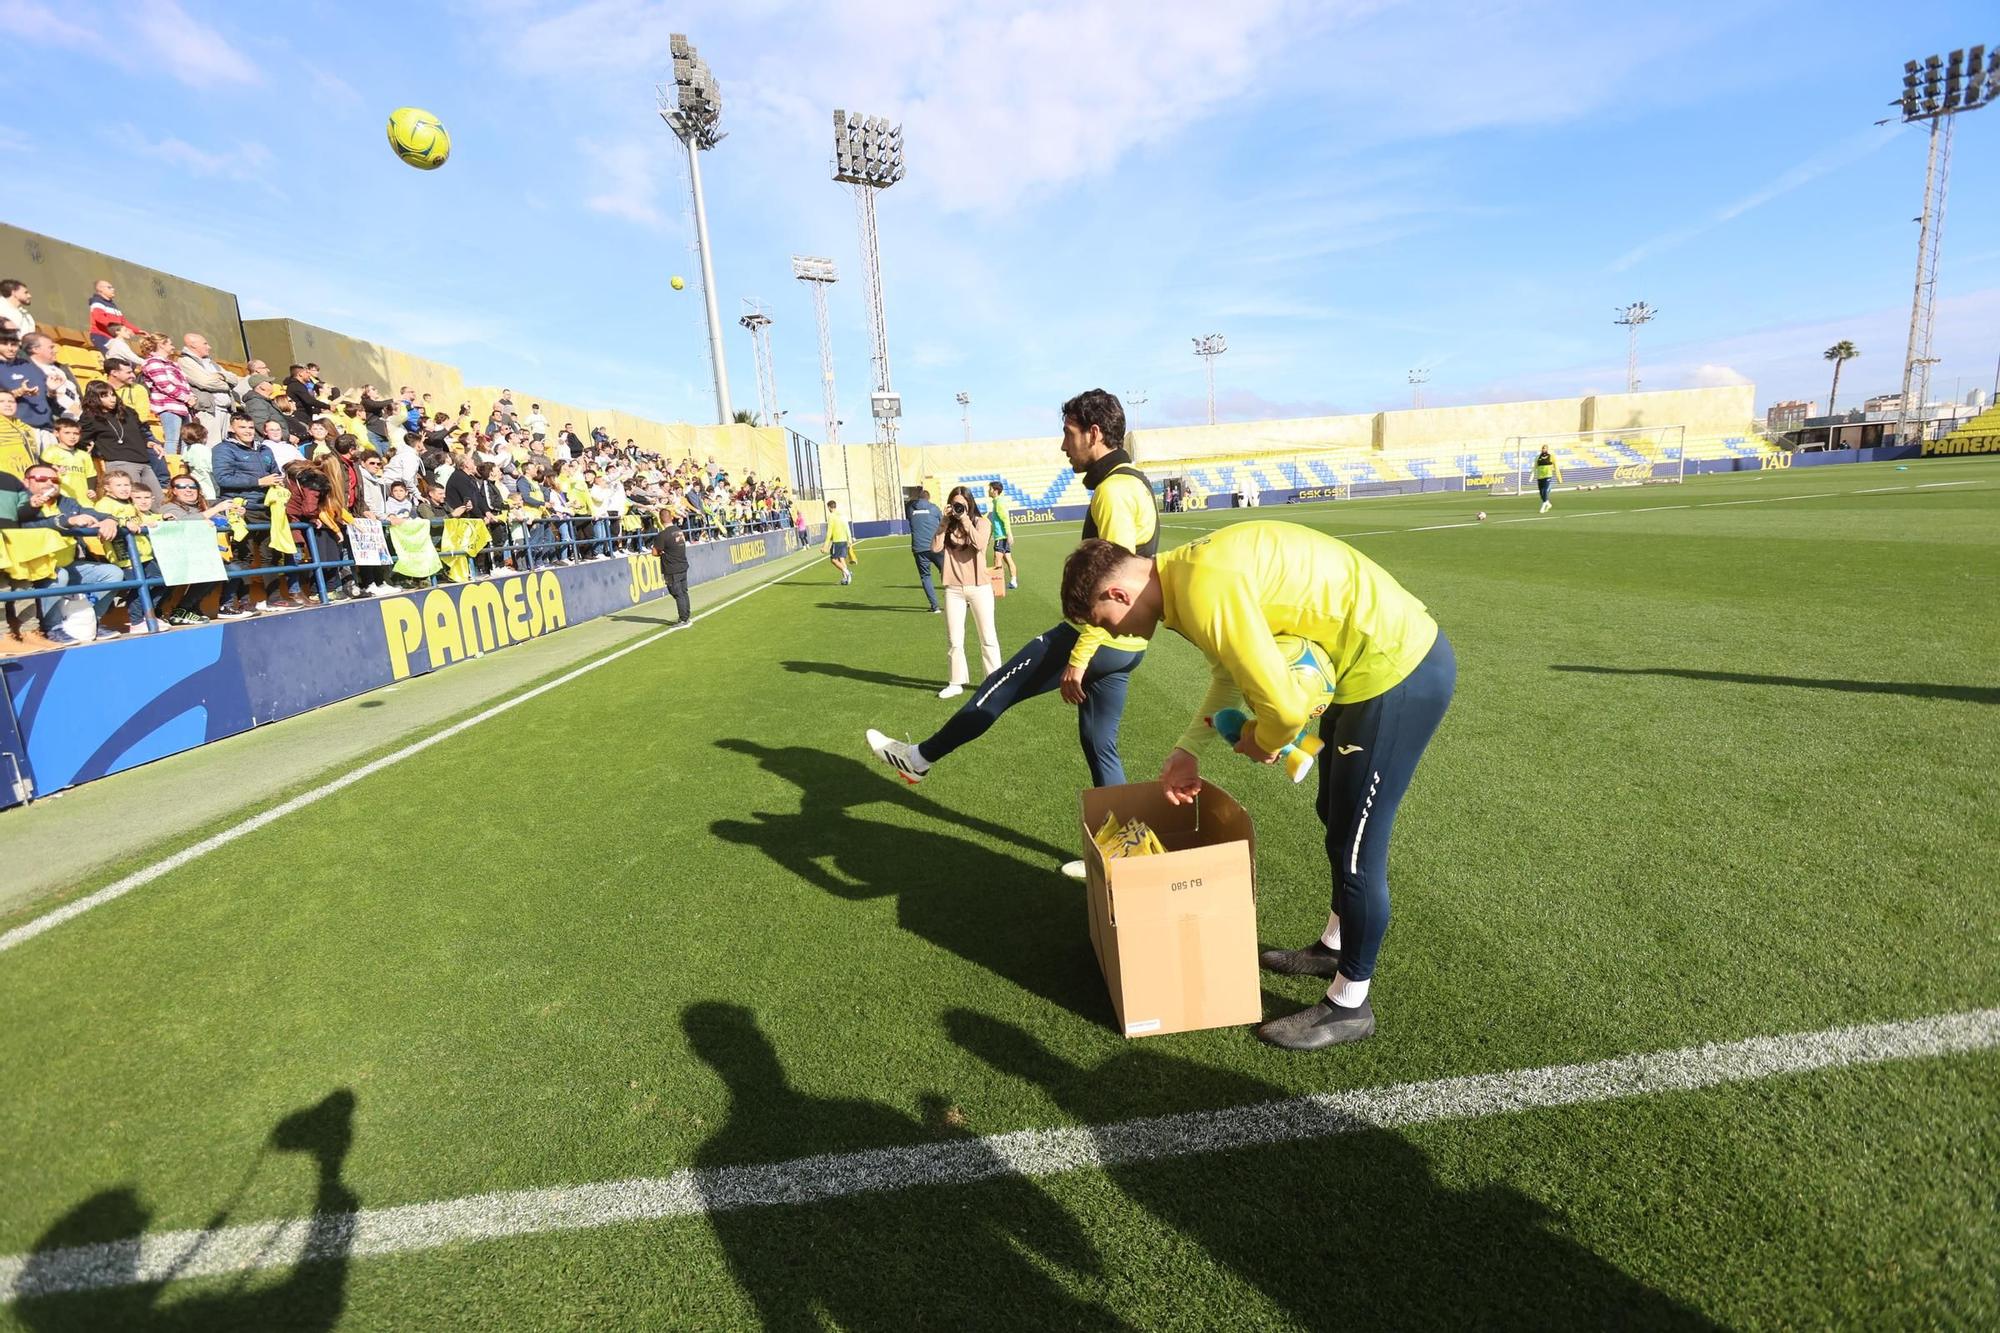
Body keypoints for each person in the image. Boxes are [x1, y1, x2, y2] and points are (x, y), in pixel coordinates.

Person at [1059, 521, 1454, 1050]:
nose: (1114, 634)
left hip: (1396, 671)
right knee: (1336, 819)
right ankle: (1336, 947)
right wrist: (1186, 751)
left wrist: (1263, 740)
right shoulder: (1186, 579)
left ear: (1117, 592)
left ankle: (1350, 1004)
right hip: (1366, 675)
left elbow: (1287, 711)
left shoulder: (1201, 587)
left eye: (1106, 622)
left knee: (1359, 847)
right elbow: (1228, 675)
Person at [868, 390, 1157, 880]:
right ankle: (1128, 853)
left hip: (1099, 639)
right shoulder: (1133, 483)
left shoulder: (1114, 491)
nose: (1063, 447)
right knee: (1099, 744)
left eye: (1068, 435)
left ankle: (920, 758)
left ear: (1094, 433)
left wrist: (1080, 655)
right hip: (1130, 646)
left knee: (999, 686)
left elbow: (1116, 584)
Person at [933, 485, 1000, 700]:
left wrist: (964, 520)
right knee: (954, 639)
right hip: (953, 589)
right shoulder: (947, 525)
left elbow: (980, 544)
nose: (958, 508)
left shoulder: (982, 523)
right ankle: (956, 682)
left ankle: (993, 681)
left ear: (970, 503)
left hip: (980, 587)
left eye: (962, 504)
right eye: (955, 504)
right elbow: (934, 548)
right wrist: (944, 522)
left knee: (988, 637)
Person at [157, 473, 234, 623]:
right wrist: (213, 511)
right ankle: (171, 610)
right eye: (181, 486)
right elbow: (184, 521)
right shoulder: (169, 507)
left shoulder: (202, 506)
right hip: (175, 556)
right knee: (211, 567)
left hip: (199, 554)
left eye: (193, 486)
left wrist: (235, 514)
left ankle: (188, 608)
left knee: (227, 567)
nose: (188, 490)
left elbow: (223, 521)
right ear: (173, 491)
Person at [79, 380, 162, 502]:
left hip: (143, 461)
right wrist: (95, 450)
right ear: (94, 398)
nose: (112, 399)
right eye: (105, 396)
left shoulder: (127, 412)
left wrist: (149, 442)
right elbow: (80, 439)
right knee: (133, 502)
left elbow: (140, 431)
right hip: (119, 463)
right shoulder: (90, 417)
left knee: (157, 500)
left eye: (112, 394)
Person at [136, 334, 193, 456]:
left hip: (182, 407)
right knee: (172, 439)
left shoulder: (172, 364)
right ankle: (171, 468)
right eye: (170, 344)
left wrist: (191, 397)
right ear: (161, 345)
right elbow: (164, 385)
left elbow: (184, 384)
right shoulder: (152, 363)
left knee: (185, 441)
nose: (173, 347)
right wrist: (186, 398)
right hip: (168, 406)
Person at [906, 488, 944, 613]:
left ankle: (935, 606)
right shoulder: (934, 508)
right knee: (948, 573)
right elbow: (943, 523)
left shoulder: (911, 509)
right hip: (936, 546)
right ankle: (960, 601)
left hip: (919, 548)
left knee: (925, 576)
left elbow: (908, 505)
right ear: (929, 498)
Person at [86, 279, 140, 352]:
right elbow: (99, 318)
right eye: (109, 287)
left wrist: (138, 331)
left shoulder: (113, 306)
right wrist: (118, 328)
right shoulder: (97, 302)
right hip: (101, 337)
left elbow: (123, 322)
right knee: (114, 359)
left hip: (113, 338)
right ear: (100, 289)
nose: (113, 289)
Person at [656, 520, 692, 626]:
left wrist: (662, 552)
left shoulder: (663, 535)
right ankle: (686, 616)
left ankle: (683, 619)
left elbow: (655, 552)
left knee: (677, 593)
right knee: (684, 592)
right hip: (682, 565)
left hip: (671, 568)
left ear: (661, 520)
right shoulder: (678, 530)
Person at [985, 480, 1019, 589]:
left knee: (997, 559)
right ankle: (1013, 581)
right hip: (1001, 536)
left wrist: (1009, 534)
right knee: (1007, 558)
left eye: (990, 489)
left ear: (995, 491)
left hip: (1001, 536)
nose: (988, 491)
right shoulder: (997, 502)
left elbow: (1005, 519)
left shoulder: (999, 503)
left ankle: (997, 584)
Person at [823, 499, 852, 585]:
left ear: (829, 507)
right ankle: (846, 578)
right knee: (841, 558)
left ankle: (847, 573)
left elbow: (829, 532)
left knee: (833, 560)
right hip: (844, 540)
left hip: (837, 541)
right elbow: (847, 527)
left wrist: (825, 545)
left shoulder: (831, 516)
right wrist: (849, 539)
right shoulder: (842, 515)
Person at [1534, 445, 1562, 513]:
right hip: (1540, 476)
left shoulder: (1551, 456)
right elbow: (1535, 467)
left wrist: (1559, 478)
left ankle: (1543, 506)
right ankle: (1548, 503)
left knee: (1545, 490)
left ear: (1547, 449)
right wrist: (1532, 475)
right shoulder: (1538, 457)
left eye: (1545, 448)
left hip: (1548, 476)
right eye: (1542, 448)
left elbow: (1556, 467)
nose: (1543, 449)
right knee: (1541, 492)